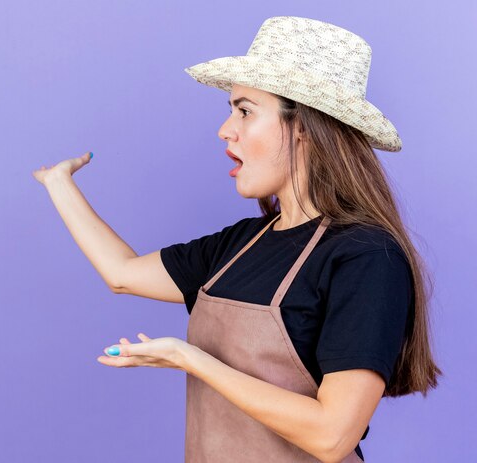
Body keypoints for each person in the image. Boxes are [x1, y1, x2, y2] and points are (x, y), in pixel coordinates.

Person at [32, 16, 441, 463]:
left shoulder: (366, 258)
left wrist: (192, 360)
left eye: (245, 111)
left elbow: (332, 436)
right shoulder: (240, 245)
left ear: (302, 125)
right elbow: (122, 274)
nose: (226, 130)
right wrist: (59, 185)